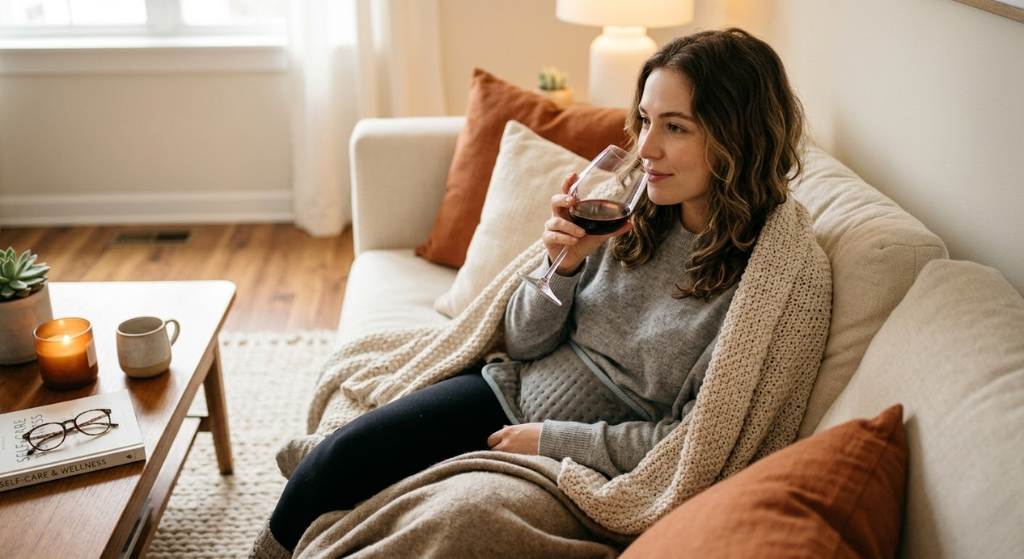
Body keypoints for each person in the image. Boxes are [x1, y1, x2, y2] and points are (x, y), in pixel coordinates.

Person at [264, 27, 806, 553]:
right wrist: (562, 267)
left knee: (437, 525)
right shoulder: (632, 209)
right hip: (508, 393)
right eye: (644, 121)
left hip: (582, 463)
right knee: (334, 463)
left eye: (675, 128)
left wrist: (549, 441)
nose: (645, 148)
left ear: (737, 136)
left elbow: (689, 446)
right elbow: (522, 343)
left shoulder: (772, 279)